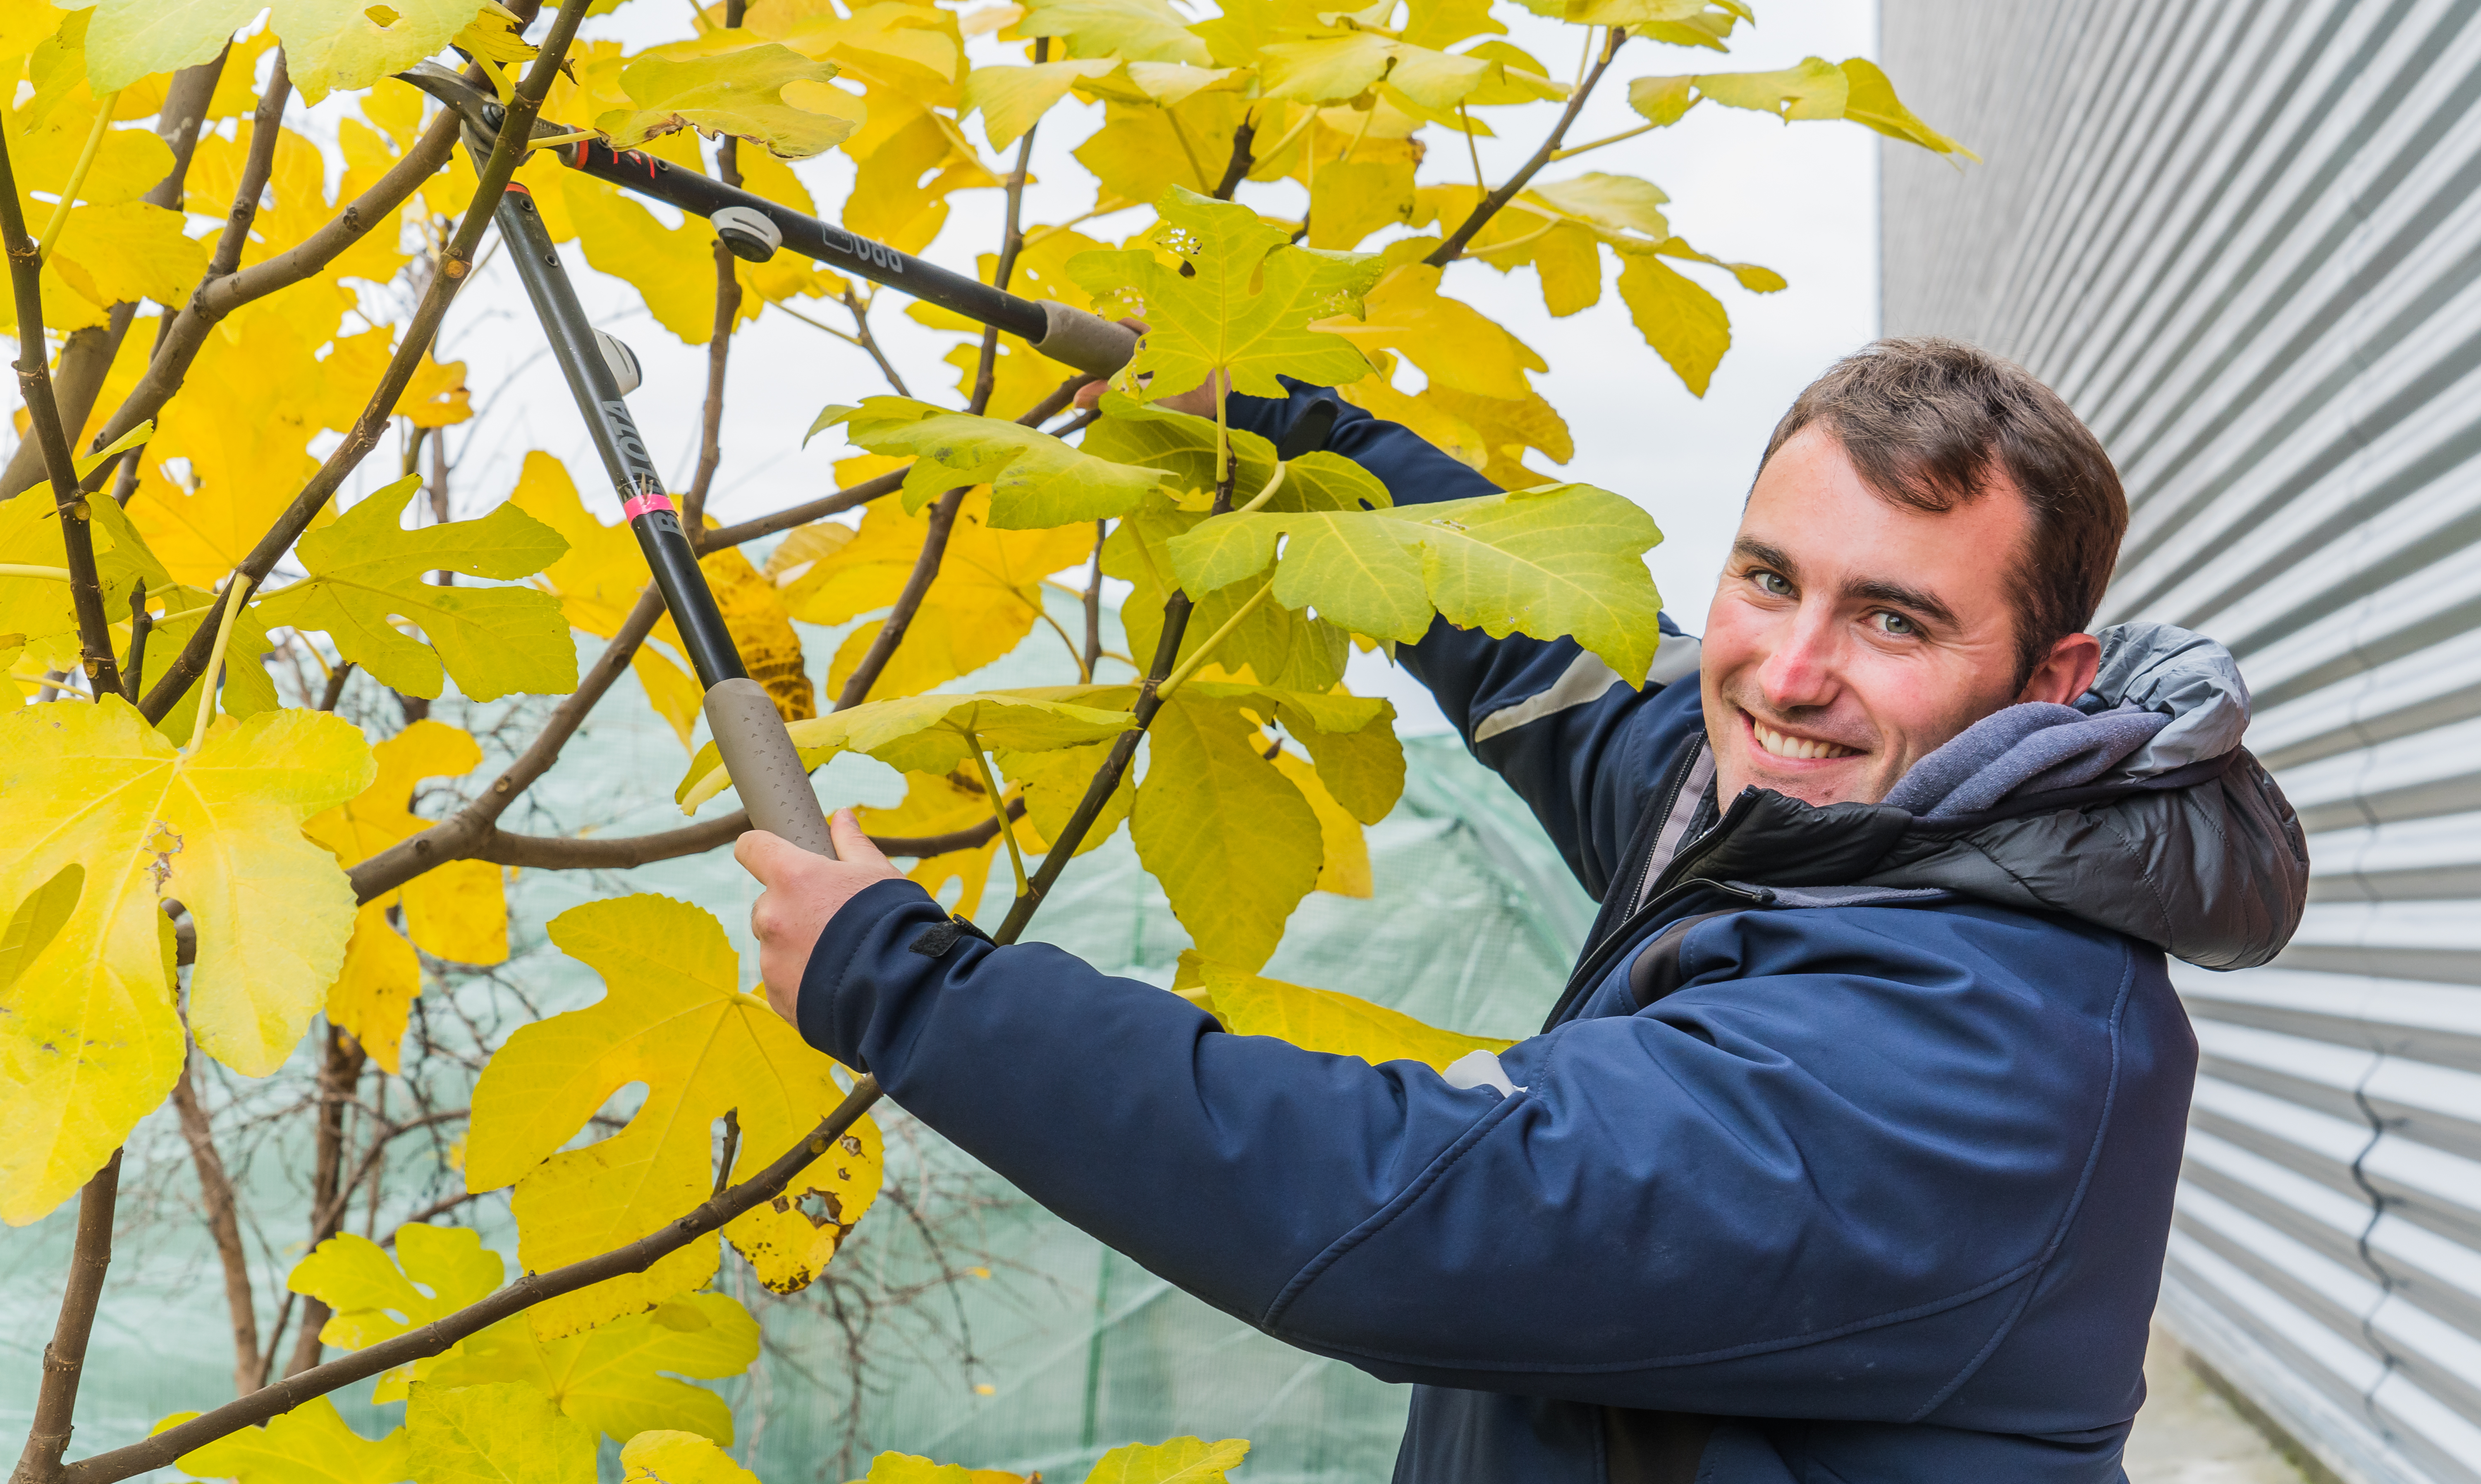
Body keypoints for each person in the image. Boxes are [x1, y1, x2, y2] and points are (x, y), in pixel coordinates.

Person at [736, 337, 2309, 1484]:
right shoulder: (1804, 811)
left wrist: (907, 984)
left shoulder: (1987, 1041)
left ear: (2049, 683)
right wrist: (1290, 435)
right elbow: (1535, 669)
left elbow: (1410, 1204)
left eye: (1893, 618)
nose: (1792, 670)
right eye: (1767, 579)